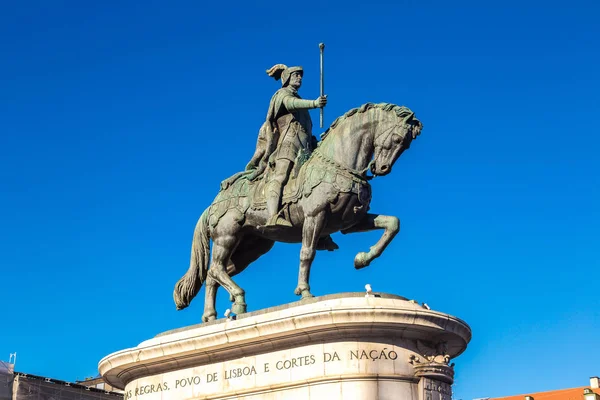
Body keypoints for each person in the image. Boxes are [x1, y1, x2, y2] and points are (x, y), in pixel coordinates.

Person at [246, 64, 326, 227]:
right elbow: (290, 104)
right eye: (296, 75)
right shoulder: (282, 94)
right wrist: (314, 103)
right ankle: (273, 216)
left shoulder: (300, 102)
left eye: (300, 76)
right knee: (281, 175)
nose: (299, 78)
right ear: (287, 78)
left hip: (305, 147)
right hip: (288, 144)